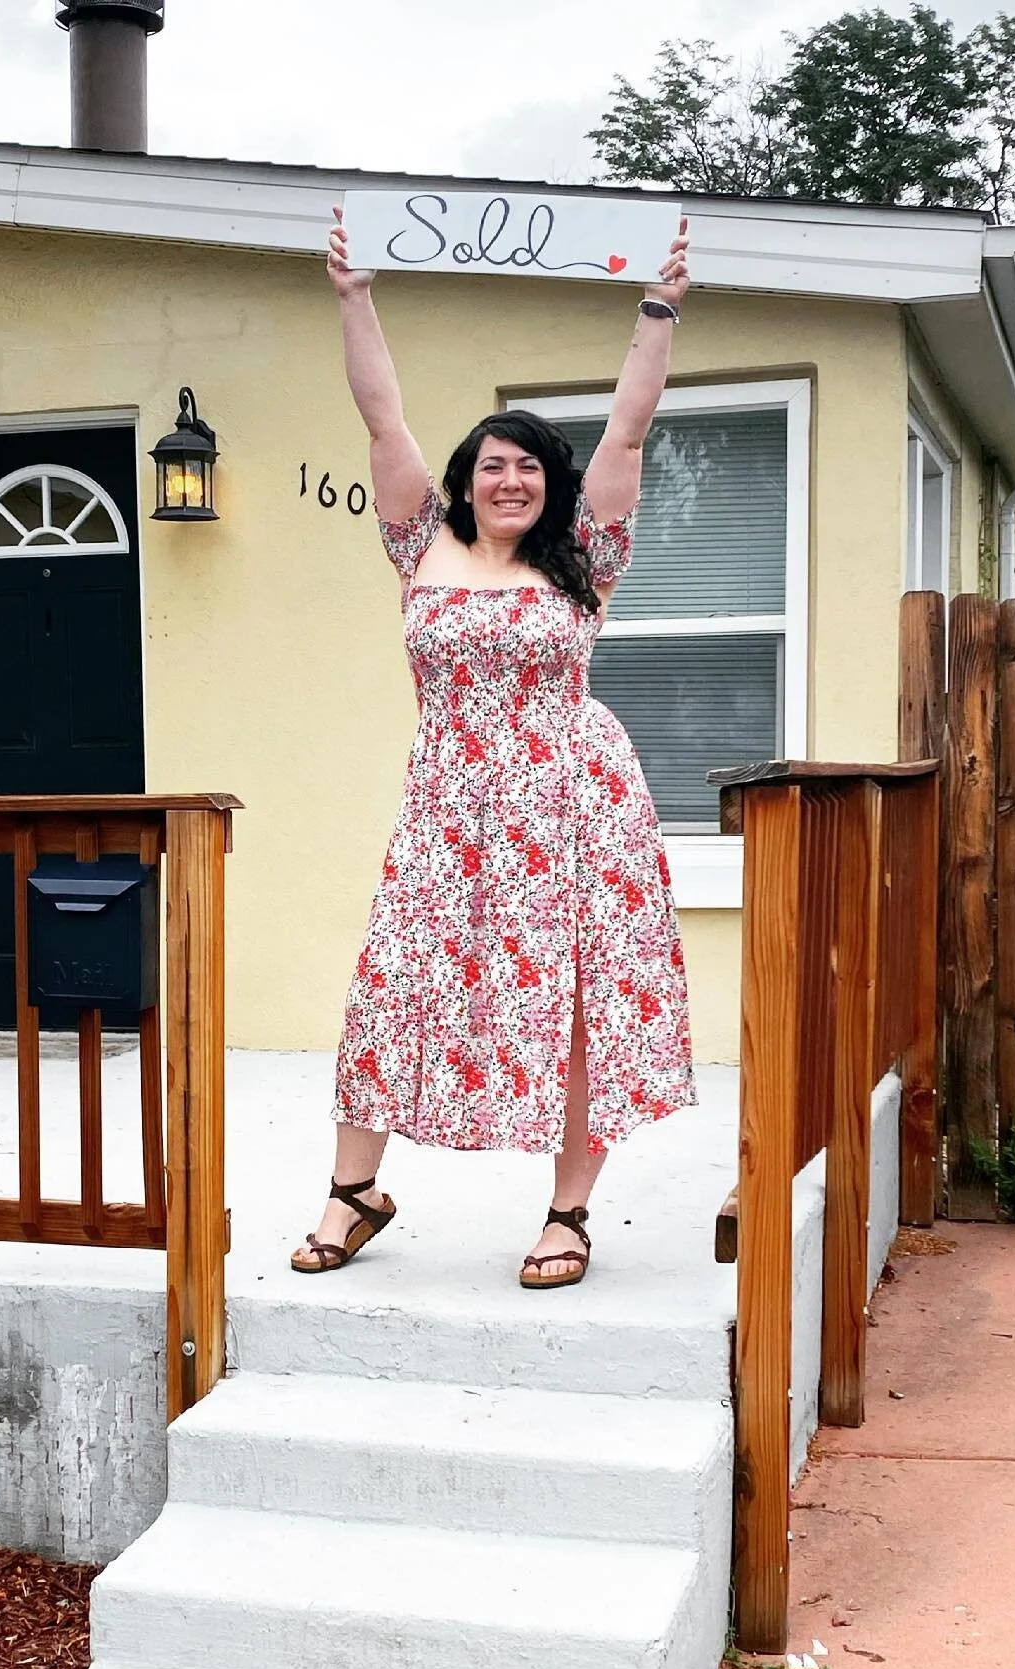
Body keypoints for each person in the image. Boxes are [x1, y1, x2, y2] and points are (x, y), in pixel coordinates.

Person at [291, 204, 698, 1289]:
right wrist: (355, 295)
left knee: (573, 1000)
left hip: (573, 807)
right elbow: (382, 419)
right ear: (466, 479)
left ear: (550, 485)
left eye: (527, 467)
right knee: (391, 984)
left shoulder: (584, 559)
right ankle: (354, 1193)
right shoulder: (421, 544)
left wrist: (656, 310)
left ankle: (567, 1214)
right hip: (450, 810)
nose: (507, 479)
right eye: (490, 464)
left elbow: (629, 429)